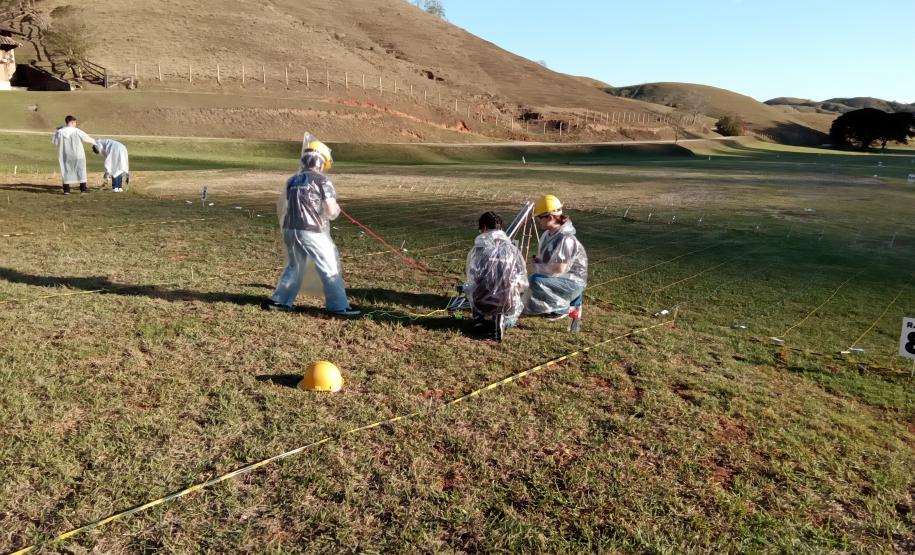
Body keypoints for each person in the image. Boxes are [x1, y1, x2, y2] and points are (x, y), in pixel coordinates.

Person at [262, 139, 360, 317]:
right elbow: (330, 210)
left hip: (290, 229)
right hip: (311, 231)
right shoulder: (323, 181)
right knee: (329, 265)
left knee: (295, 267)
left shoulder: (292, 180)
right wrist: (336, 210)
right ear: (320, 162)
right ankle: (339, 306)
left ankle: (280, 301)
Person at [525, 195, 588, 331]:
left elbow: (560, 268)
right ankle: (567, 305)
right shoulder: (547, 235)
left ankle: (562, 309)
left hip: (572, 283)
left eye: (540, 217)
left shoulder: (566, 239)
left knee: (535, 280)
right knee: (531, 282)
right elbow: (544, 259)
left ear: (550, 217)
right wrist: (538, 262)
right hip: (561, 279)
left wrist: (539, 267)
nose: (538, 221)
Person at [463, 211, 528, 341]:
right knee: (511, 312)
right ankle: (505, 321)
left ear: (484, 228)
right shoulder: (513, 249)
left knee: (471, 289)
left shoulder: (478, 250)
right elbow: (522, 282)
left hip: (483, 302)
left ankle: (480, 321)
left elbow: (473, 279)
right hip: (508, 303)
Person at [51, 115, 96, 195]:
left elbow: (54, 142)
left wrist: (58, 131)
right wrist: (95, 142)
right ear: (71, 122)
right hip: (78, 154)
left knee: (66, 171)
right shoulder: (77, 131)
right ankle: (83, 189)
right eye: (75, 122)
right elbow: (86, 138)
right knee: (81, 170)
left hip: (65, 155)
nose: (75, 124)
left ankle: (66, 190)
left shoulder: (60, 132)